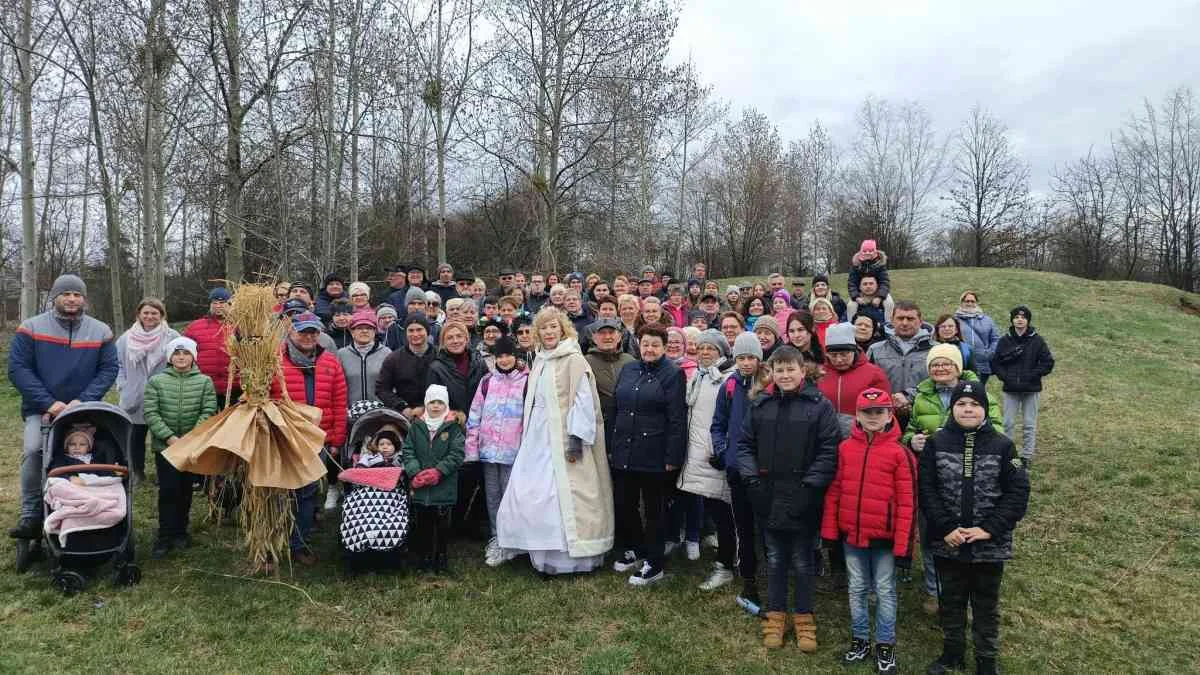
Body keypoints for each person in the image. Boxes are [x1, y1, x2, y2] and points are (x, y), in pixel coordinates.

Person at [920, 382, 1030, 675]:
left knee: (986, 606)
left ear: (984, 409)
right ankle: (952, 653)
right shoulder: (936, 443)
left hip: (988, 547)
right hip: (949, 543)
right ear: (952, 408)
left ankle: (986, 661)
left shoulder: (1003, 445)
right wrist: (945, 527)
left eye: (974, 404)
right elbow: (926, 489)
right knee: (951, 602)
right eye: (961, 404)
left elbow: (1017, 493)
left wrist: (989, 529)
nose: (968, 409)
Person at [736, 346, 840, 651]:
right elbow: (744, 445)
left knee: (803, 560)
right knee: (776, 559)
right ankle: (776, 615)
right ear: (772, 373)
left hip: (804, 496)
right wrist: (752, 479)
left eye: (790, 369)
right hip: (767, 494)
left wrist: (810, 488)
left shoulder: (819, 406)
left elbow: (828, 449)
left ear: (802, 370)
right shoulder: (761, 404)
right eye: (779, 370)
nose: (785, 375)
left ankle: (805, 617)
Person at [496, 308, 614, 575]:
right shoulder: (540, 360)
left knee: (564, 495)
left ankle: (570, 558)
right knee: (532, 492)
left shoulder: (573, 360)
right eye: (544, 328)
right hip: (538, 437)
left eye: (553, 327)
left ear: (563, 330)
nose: (549, 332)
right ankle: (540, 550)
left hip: (565, 438)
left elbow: (583, 400)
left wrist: (575, 439)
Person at [8, 274, 119, 539]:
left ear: (84, 299)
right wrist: (49, 402)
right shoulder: (31, 328)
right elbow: (18, 368)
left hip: (85, 407)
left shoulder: (100, 330)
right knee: (35, 451)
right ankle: (31, 514)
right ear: (54, 297)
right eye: (66, 294)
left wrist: (83, 400)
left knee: (97, 452)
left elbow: (108, 368)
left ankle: (92, 503)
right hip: (42, 408)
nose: (71, 299)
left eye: (77, 294)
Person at [904, 343, 1002, 614]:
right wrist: (913, 440)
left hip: (973, 477)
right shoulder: (922, 395)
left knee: (967, 537)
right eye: (935, 364)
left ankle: (966, 594)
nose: (940, 368)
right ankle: (935, 592)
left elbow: (998, 430)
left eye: (946, 363)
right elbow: (910, 428)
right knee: (931, 536)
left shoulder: (980, 394)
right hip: (934, 477)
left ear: (958, 367)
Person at [821, 388, 914, 674]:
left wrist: (903, 547)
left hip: (884, 539)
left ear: (889, 415)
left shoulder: (900, 454)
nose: (873, 417)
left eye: (879, 412)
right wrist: (830, 531)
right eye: (867, 412)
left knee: (885, 591)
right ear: (857, 416)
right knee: (857, 587)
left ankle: (885, 645)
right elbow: (835, 491)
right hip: (852, 536)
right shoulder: (845, 448)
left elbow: (907, 503)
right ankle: (860, 639)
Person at [609, 323, 687, 586]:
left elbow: (676, 419)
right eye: (645, 344)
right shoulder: (628, 369)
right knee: (625, 503)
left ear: (664, 347)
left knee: (655, 510)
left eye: (655, 345)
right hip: (624, 450)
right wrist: (612, 444)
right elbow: (616, 408)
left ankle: (654, 562)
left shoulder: (673, 374)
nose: (649, 349)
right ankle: (636, 548)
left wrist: (672, 457)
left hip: (655, 453)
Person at [270, 311, 348, 562]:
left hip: (317, 439)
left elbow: (339, 401)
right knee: (279, 492)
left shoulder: (330, 361)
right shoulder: (275, 360)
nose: (308, 336)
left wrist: (336, 439)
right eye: (303, 331)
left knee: (308, 492)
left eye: (313, 332)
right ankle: (273, 543)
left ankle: (298, 544)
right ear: (291, 332)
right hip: (283, 436)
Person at [143, 337, 217, 558]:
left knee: (185, 489)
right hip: (166, 447)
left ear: (193, 356)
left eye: (185, 354)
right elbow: (151, 412)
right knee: (168, 490)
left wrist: (192, 437)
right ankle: (164, 534)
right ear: (170, 358)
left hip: (190, 447)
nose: (181, 357)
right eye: (177, 354)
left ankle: (180, 532)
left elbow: (208, 410)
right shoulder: (157, 382)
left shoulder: (204, 382)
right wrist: (168, 437)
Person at [711, 332, 770, 606]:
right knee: (743, 526)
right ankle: (748, 578)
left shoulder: (770, 385)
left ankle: (772, 576)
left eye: (751, 357)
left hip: (766, 470)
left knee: (767, 526)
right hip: (737, 469)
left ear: (759, 358)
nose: (746, 363)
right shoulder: (730, 385)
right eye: (742, 358)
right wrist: (724, 452)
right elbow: (718, 423)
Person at [677, 330, 738, 591]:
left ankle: (727, 563)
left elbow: (733, 420)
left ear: (722, 351)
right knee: (715, 508)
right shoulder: (699, 376)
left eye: (710, 348)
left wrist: (723, 451)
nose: (704, 352)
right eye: (701, 348)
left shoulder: (728, 379)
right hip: (700, 455)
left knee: (724, 511)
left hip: (717, 456)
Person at [465, 336, 529, 567]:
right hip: (489, 451)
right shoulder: (487, 381)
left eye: (508, 355)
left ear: (516, 356)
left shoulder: (527, 381)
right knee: (493, 496)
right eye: (499, 356)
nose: (503, 359)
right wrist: (472, 449)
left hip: (515, 452)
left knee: (512, 495)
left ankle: (515, 539)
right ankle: (497, 537)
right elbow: (474, 416)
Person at [425, 321, 488, 537]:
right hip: (452, 428)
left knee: (479, 476)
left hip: (480, 427)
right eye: (450, 337)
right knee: (458, 477)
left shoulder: (479, 363)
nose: (455, 341)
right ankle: (455, 523)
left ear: (466, 339)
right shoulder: (436, 367)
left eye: (459, 336)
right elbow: (433, 402)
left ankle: (475, 520)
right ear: (443, 341)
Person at [115, 297, 180, 484]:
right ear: (139, 315)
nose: (150, 316)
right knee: (135, 434)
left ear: (161, 315)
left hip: (163, 393)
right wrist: (122, 383)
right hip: (134, 393)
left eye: (154, 313)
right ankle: (137, 471)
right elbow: (117, 364)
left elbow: (180, 362)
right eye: (146, 313)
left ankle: (164, 472)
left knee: (162, 434)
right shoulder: (125, 339)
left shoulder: (172, 337)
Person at [403, 384, 466, 573]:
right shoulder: (417, 426)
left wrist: (438, 471)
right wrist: (415, 472)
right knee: (423, 523)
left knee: (442, 524)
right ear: (426, 404)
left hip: (443, 485)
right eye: (432, 403)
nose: (436, 406)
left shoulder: (453, 427)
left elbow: (457, 454)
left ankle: (441, 556)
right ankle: (424, 557)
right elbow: (408, 450)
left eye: (440, 403)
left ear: (445, 404)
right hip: (421, 486)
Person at [991, 306, 1055, 462]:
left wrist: (1032, 376)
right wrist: (1005, 377)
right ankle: (1008, 454)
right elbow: (995, 363)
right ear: (1012, 320)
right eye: (1016, 317)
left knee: (1029, 424)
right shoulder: (1005, 340)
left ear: (1028, 320)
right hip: (1010, 389)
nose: (1020, 320)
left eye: (1023, 317)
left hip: (1031, 389)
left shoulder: (1037, 340)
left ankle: (1026, 456)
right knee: (1007, 423)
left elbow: (1048, 362)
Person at [867, 301, 934, 430]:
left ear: (920, 321)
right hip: (884, 418)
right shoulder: (875, 350)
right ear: (892, 320)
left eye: (910, 318)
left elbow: (940, 383)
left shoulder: (936, 350)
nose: (904, 323)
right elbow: (867, 383)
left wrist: (909, 397)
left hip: (924, 417)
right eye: (900, 318)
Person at [818, 323, 891, 438]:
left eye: (844, 354)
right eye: (833, 355)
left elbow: (886, 409)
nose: (839, 359)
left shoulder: (874, 374)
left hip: (862, 437)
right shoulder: (819, 374)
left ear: (854, 351)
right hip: (825, 436)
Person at [584, 318, 636, 451]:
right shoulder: (585, 363)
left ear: (619, 337)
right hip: (599, 428)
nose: (607, 337)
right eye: (602, 333)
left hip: (629, 427)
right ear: (594, 338)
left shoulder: (630, 361)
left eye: (611, 333)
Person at [184, 287, 237, 407]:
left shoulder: (240, 326)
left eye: (222, 303)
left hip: (233, 387)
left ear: (230, 304)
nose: (218, 306)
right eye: (214, 303)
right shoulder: (195, 327)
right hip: (204, 387)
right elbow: (184, 354)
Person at [376, 314, 437, 416]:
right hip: (406, 414)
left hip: (437, 410)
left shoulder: (440, 355)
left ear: (427, 331)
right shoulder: (393, 359)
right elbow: (382, 389)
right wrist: (402, 407)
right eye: (411, 330)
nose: (415, 334)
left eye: (419, 329)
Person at [337, 312, 391, 408]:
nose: (364, 331)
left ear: (375, 331)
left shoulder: (386, 353)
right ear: (352, 332)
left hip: (381, 411)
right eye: (359, 328)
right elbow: (338, 386)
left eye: (369, 328)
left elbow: (392, 385)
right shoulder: (341, 354)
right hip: (350, 412)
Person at [953, 291, 1000, 387]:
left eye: (972, 301)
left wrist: (990, 353)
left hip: (982, 364)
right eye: (967, 301)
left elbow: (995, 338)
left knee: (979, 394)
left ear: (976, 303)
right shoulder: (954, 320)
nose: (969, 303)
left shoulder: (987, 320)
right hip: (963, 364)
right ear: (961, 302)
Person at [847, 240, 894, 323]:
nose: (867, 253)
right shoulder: (856, 267)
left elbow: (885, 282)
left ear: (875, 252)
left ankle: (888, 324)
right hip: (861, 293)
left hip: (878, 292)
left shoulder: (880, 265)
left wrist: (879, 297)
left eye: (871, 251)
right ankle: (851, 325)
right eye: (865, 251)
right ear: (861, 252)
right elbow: (852, 283)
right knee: (851, 305)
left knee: (889, 303)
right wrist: (856, 297)